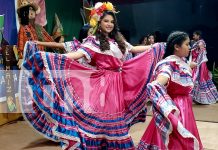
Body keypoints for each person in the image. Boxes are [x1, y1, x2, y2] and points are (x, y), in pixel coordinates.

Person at [19, 2, 165, 149]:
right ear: (99, 22)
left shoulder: (118, 40)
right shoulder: (93, 41)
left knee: (112, 118)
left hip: (118, 83)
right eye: (106, 21)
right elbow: (77, 54)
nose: (109, 24)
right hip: (102, 84)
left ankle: (109, 143)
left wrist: (155, 46)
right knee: (103, 118)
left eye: (112, 22)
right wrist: (49, 58)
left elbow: (133, 48)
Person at [137, 31, 203, 150]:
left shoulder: (181, 62)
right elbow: (163, 77)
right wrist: (157, 83)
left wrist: (190, 66)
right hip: (176, 109)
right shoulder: (168, 64)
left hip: (185, 107)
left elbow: (183, 69)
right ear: (177, 47)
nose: (190, 47)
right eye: (187, 44)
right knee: (175, 139)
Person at [17, 0, 53, 68]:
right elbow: (20, 46)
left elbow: (50, 41)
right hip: (30, 62)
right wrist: (21, 58)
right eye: (28, 10)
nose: (31, 12)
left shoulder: (39, 28)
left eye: (32, 9)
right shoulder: (23, 28)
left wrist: (59, 46)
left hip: (42, 61)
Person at [189, 30, 218, 104]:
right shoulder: (196, 43)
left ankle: (204, 99)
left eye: (194, 35)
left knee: (200, 79)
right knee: (195, 79)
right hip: (196, 63)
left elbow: (202, 53)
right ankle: (196, 98)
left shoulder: (201, 42)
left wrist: (198, 64)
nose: (193, 37)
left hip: (200, 64)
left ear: (198, 36)